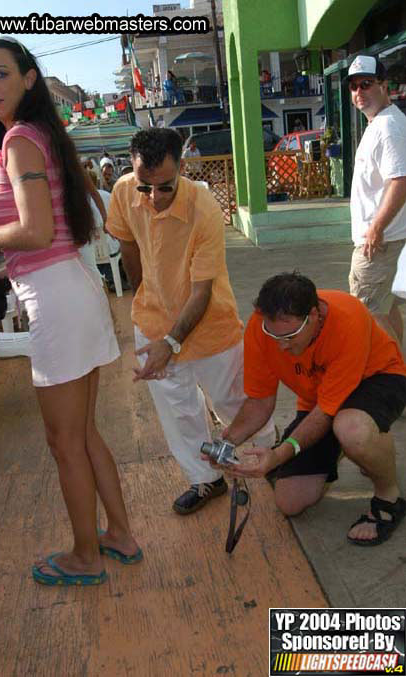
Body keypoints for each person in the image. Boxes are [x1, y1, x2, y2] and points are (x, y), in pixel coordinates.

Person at [0, 37, 141, 585]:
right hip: (74, 292)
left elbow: (35, 232)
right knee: (83, 433)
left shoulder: (19, 142)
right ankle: (121, 537)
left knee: (65, 442)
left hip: (57, 300)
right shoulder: (41, 137)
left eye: (1, 74)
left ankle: (86, 556)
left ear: (30, 78)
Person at [107, 128, 276, 515]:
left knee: (231, 399)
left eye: (164, 187)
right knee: (178, 409)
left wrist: (172, 342)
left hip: (210, 325)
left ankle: (270, 452)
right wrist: (142, 296)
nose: (153, 198)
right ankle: (205, 480)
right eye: (143, 188)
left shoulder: (205, 209)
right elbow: (126, 243)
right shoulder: (122, 192)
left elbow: (201, 293)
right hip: (153, 323)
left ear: (182, 168)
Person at [204, 272, 406, 546]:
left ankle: (388, 495)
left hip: (377, 379)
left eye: (290, 336)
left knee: (351, 428)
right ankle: (348, 448)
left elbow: (326, 412)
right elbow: (260, 402)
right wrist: (226, 443)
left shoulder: (348, 317)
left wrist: (278, 455)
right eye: (273, 336)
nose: (281, 346)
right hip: (322, 401)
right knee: (289, 501)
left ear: (314, 315)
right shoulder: (261, 328)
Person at [346, 55, 406, 345]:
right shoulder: (384, 122)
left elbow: (400, 180)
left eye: (366, 84)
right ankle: (400, 373)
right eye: (354, 86)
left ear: (384, 85)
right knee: (386, 307)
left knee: (366, 308)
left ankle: (394, 379)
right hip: (388, 239)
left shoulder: (387, 127)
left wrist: (376, 228)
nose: (359, 92)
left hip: (378, 242)